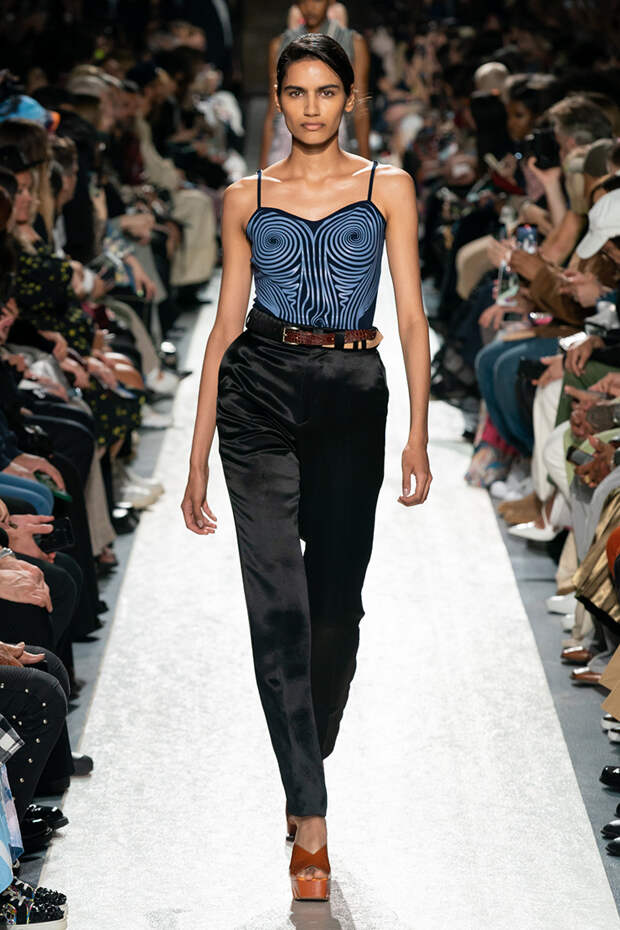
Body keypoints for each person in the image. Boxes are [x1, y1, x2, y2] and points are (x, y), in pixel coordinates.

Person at [182, 33, 431, 901]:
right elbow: (225, 326)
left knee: (335, 613)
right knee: (277, 607)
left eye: (327, 91)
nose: (312, 107)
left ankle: (304, 754)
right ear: (279, 100)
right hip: (257, 391)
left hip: (354, 394)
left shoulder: (388, 186)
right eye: (297, 92)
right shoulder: (244, 197)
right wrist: (196, 456)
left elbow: (410, 317)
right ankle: (310, 821)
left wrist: (418, 434)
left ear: (349, 99)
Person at [259, 0, 370, 167]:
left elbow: (360, 107)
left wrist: (368, 166)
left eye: (317, 0)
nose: (310, 7)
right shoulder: (280, 44)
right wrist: (261, 171)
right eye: (304, 1)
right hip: (286, 140)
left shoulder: (352, 43)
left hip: (335, 136)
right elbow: (272, 109)